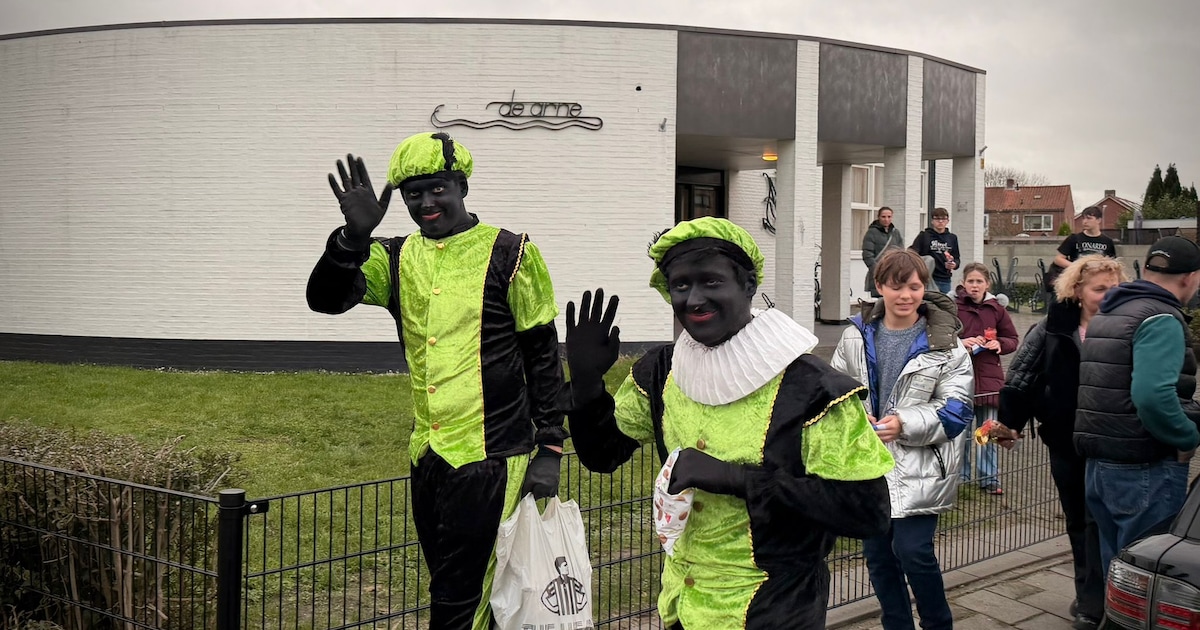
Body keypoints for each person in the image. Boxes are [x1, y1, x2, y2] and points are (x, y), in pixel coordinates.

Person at [564, 217, 894, 629]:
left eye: (711, 282)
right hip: (681, 607)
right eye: (681, 285)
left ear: (749, 286)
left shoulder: (813, 388)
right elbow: (602, 454)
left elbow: (868, 511)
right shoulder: (662, 370)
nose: (694, 299)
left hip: (773, 612)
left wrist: (736, 479)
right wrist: (587, 384)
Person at [305, 132, 567, 630]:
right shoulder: (396, 256)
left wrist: (550, 448)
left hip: (493, 458)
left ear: (462, 185)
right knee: (454, 587)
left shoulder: (510, 252)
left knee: (462, 598)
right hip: (427, 455)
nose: (427, 202)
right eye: (413, 193)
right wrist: (352, 239)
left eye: (438, 188)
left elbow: (542, 353)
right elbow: (325, 299)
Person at [830, 248, 975, 630]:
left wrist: (905, 423)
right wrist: (858, 417)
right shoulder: (853, 337)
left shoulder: (948, 345)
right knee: (878, 556)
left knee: (913, 552)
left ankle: (937, 623)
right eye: (896, 287)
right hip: (870, 466)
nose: (906, 296)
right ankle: (896, 623)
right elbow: (835, 393)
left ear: (923, 288)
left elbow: (957, 409)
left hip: (921, 466)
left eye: (914, 287)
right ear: (879, 287)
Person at [998, 254, 1127, 630]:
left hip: (1110, 438)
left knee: (1100, 521)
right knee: (1077, 520)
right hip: (1064, 437)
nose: (1108, 295)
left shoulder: (1126, 325)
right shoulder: (1053, 327)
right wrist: (1009, 424)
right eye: (1099, 289)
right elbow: (1021, 374)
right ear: (1077, 290)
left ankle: (1104, 599)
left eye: (1114, 288)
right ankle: (1088, 597)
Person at [1075, 236, 1200, 579]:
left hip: (1100, 466)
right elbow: (1152, 396)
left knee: (1117, 570)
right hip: (1143, 467)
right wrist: (1187, 436)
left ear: (1145, 270)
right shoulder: (1161, 318)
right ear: (1191, 277)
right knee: (1144, 575)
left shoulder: (1110, 311)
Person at [954, 262, 1019, 495]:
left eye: (979, 281)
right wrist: (960, 343)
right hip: (961, 379)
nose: (974, 286)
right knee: (961, 433)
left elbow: (1012, 338)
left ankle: (989, 478)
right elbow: (940, 337)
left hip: (990, 378)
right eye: (970, 281)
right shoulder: (954, 307)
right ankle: (960, 476)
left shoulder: (996, 309)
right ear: (963, 283)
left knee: (987, 432)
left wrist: (999, 343)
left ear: (987, 284)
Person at [1047, 206, 1117, 291]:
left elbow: (1112, 264)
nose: (1085, 222)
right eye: (1083, 218)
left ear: (1098, 220)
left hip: (1097, 281)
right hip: (1077, 281)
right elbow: (1058, 259)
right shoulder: (1074, 238)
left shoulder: (1107, 241)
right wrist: (1078, 267)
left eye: (1089, 218)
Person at [909, 207, 960, 293]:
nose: (940, 221)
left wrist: (953, 264)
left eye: (943, 219)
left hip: (945, 279)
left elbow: (957, 258)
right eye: (937, 219)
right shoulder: (924, 236)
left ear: (948, 221)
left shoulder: (952, 238)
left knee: (944, 304)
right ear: (932, 221)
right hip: (928, 278)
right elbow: (912, 253)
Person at [862, 207, 905, 298]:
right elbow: (867, 254)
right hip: (878, 274)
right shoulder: (871, 233)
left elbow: (901, 252)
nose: (886, 219)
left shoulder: (895, 233)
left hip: (894, 274)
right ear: (878, 217)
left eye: (889, 217)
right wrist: (877, 270)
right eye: (883, 217)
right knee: (879, 303)